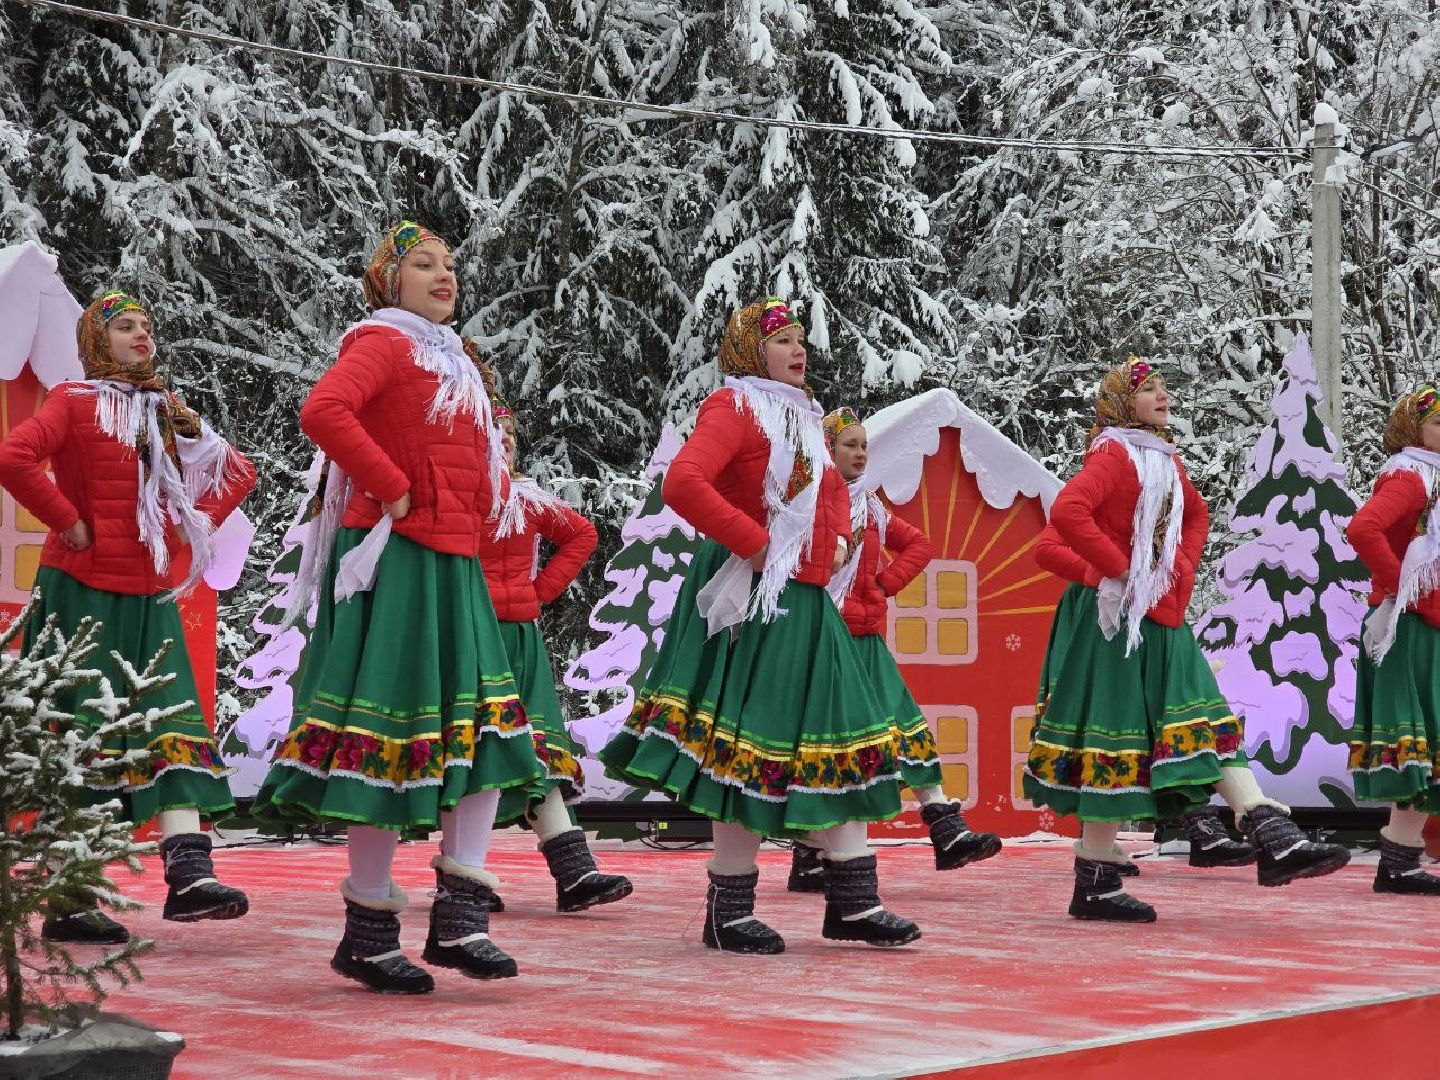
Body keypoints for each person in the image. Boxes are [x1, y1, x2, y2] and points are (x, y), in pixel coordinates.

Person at [254, 222, 542, 992]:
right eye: (423, 264)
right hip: (398, 560)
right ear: (389, 279)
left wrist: (472, 512)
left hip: (454, 561)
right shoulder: (381, 342)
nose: (443, 274)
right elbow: (326, 412)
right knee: (384, 738)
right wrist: (391, 485)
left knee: (486, 734)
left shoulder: (454, 360)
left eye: (449, 263)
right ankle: (372, 932)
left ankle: (460, 919)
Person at [0, 289, 255, 943]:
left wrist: (189, 525)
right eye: (124, 328)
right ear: (95, 344)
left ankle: (189, 874)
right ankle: (69, 898)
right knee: (82, 735)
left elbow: (237, 476)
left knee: (170, 723)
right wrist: (67, 521)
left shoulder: (162, 414)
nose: (142, 335)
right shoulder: (74, 400)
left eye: (146, 325)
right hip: (83, 593)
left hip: (150, 596)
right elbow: (13, 456)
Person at [1346, 384, 1440, 895]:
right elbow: (1363, 529)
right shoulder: (1410, 475)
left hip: (1427, 624)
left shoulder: (1431, 477)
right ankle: (1398, 862)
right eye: (1438, 424)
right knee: (1417, 741)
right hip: (1411, 630)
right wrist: (1403, 588)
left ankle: (1401, 859)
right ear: (1413, 430)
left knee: (1426, 741)